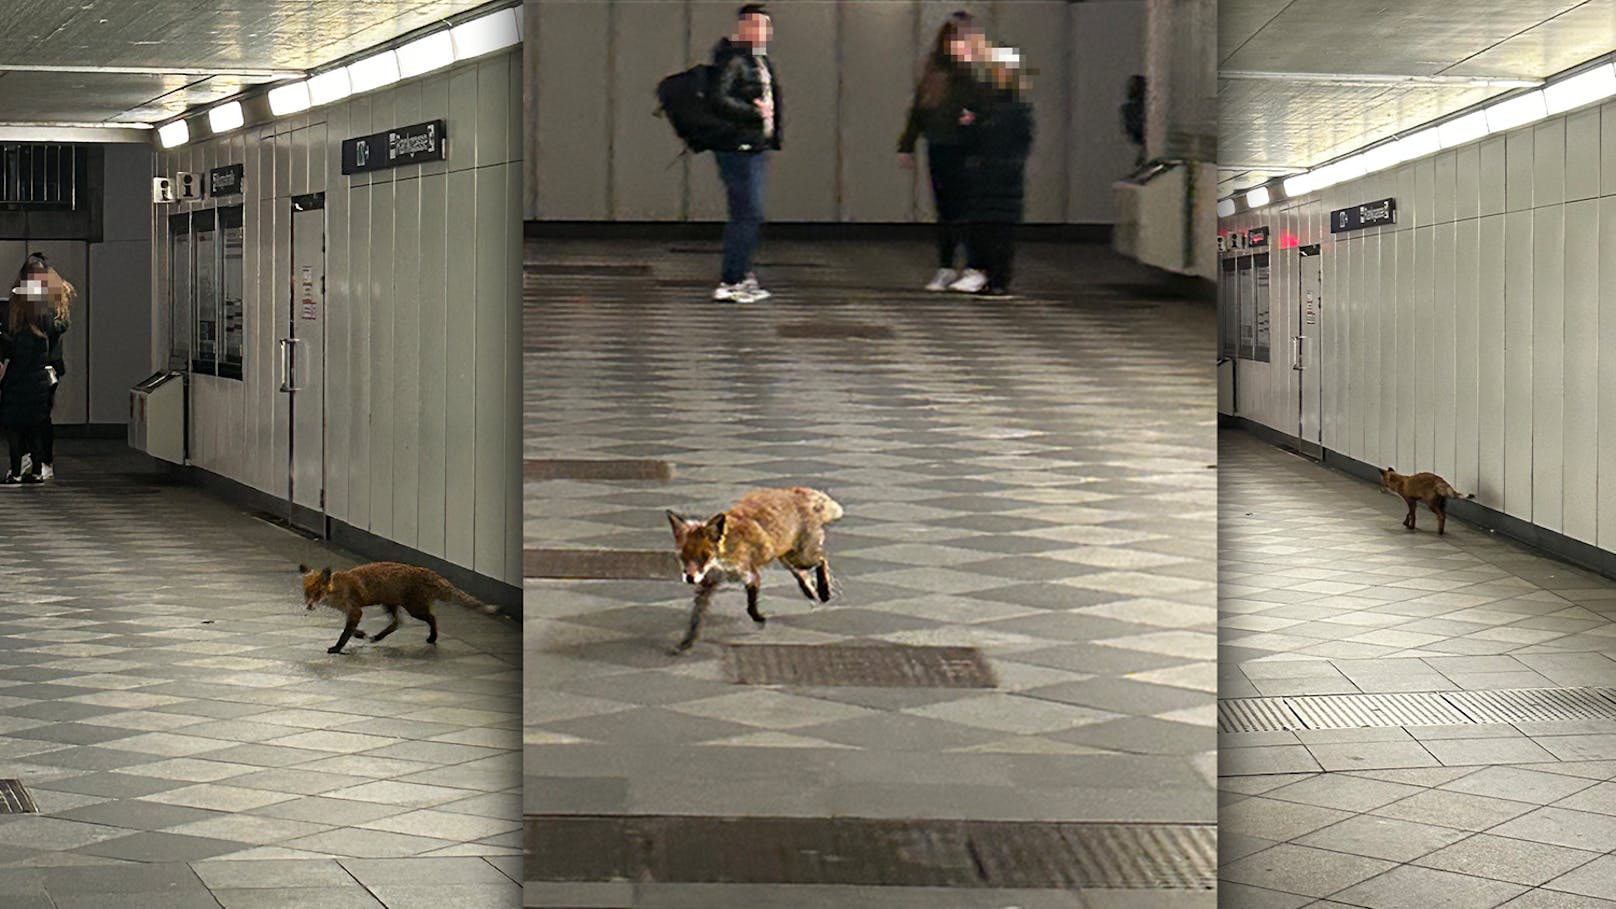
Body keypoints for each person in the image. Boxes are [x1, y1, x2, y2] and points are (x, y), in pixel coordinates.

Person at [899, 12, 990, 293]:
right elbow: (919, 111)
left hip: (967, 150)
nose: (961, 47)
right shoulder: (935, 74)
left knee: (967, 210)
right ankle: (947, 267)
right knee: (946, 210)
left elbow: (985, 112)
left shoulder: (974, 77)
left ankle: (973, 267)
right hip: (940, 147)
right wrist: (907, 144)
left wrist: (973, 121)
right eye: (955, 41)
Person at [708, 3, 782, 304]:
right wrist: (754, 112)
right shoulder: (735, 60)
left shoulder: (758, 59)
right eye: (754, 25)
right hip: (738, 146)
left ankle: (743, 273)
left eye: (765, 26)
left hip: (753, 145)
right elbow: (719, 98)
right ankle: (731, 279)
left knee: (748, 213)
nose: (761, 31)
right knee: (747, 213)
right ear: (742, 29)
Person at [959, 47, 1035, 299]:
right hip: (986, 176)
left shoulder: (1014, 108)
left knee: (998, 231)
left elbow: (1021, 142)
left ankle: (997, 278)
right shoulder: (989, 105)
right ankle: (987, 275)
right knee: (982, 229)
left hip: (1000, 177)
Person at [11, 253, 71, 480]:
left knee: (41, 415)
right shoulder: (22, 295)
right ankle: (27, 458)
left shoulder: (54, 294)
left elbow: (60, 324)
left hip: (48, 365)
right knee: (21, 413)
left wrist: (40, 316)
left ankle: (44, 460)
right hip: (26, 362)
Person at [0, 276, 55, 486]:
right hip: (38, 388)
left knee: (14, 432)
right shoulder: (43, 331)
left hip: (19, 389)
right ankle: (37, 470)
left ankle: (16, 472)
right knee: (34, 431)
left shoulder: (22, 333)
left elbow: (19, 362)